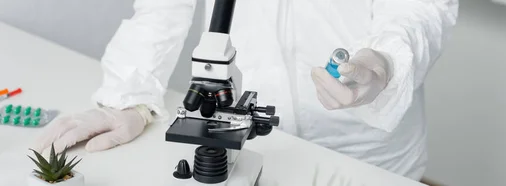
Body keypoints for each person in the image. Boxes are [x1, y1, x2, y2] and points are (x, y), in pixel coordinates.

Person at [33, 0, 458, 181]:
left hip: (364, 145)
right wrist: (129, 96)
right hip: (250, 141)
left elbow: (418, 6)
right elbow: (164, 5)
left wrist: (383, 62)